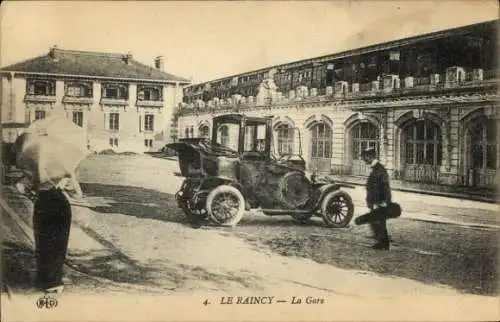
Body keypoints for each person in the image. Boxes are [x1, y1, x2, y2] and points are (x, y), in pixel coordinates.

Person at [361, 147, 392, 250]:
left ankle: (384, 243)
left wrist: (384, 201)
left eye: (364, 157)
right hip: (376, 200)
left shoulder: (379, 169)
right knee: (377, 221)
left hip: (379, 201)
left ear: (370, 157)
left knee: (379, 221)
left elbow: (384, 186)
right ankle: (382, 242)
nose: (364, 160)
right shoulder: (376, 168)